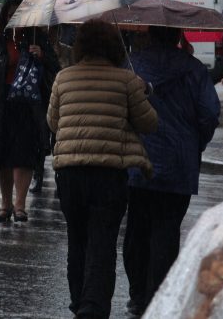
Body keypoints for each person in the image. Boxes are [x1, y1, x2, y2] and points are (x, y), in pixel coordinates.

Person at [48, 19, 158, 319]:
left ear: (80, 45)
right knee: (103, 240)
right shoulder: (126, 81)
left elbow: (53, 122)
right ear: (114, 46)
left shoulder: (64, 78)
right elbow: (149, 123)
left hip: (70, 172)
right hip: (109, 173)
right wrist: (143, 94)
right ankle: (93, 307)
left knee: (77, 238)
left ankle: (77, 300)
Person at [124, 26, 220, 317]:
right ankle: (159, 295)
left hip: (137, 160)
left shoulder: (133, 65)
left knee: (136, 230)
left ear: (150, 35)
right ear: (178, 37)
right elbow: (210, 113)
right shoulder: (194, 69)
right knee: (166, 231)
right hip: (179, 163)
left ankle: (137, 295)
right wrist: (195, 143)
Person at [0, 0, 60, 223]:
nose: (14, 19)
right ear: (4, 16)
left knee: (25, 155)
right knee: (4, 155)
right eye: (10, 14)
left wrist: (43, 56)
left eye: (18, 14)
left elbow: (57, 69)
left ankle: (20, 206)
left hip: (29, 106)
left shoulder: (37, 37)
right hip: (1, 104)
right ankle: (5, 204)